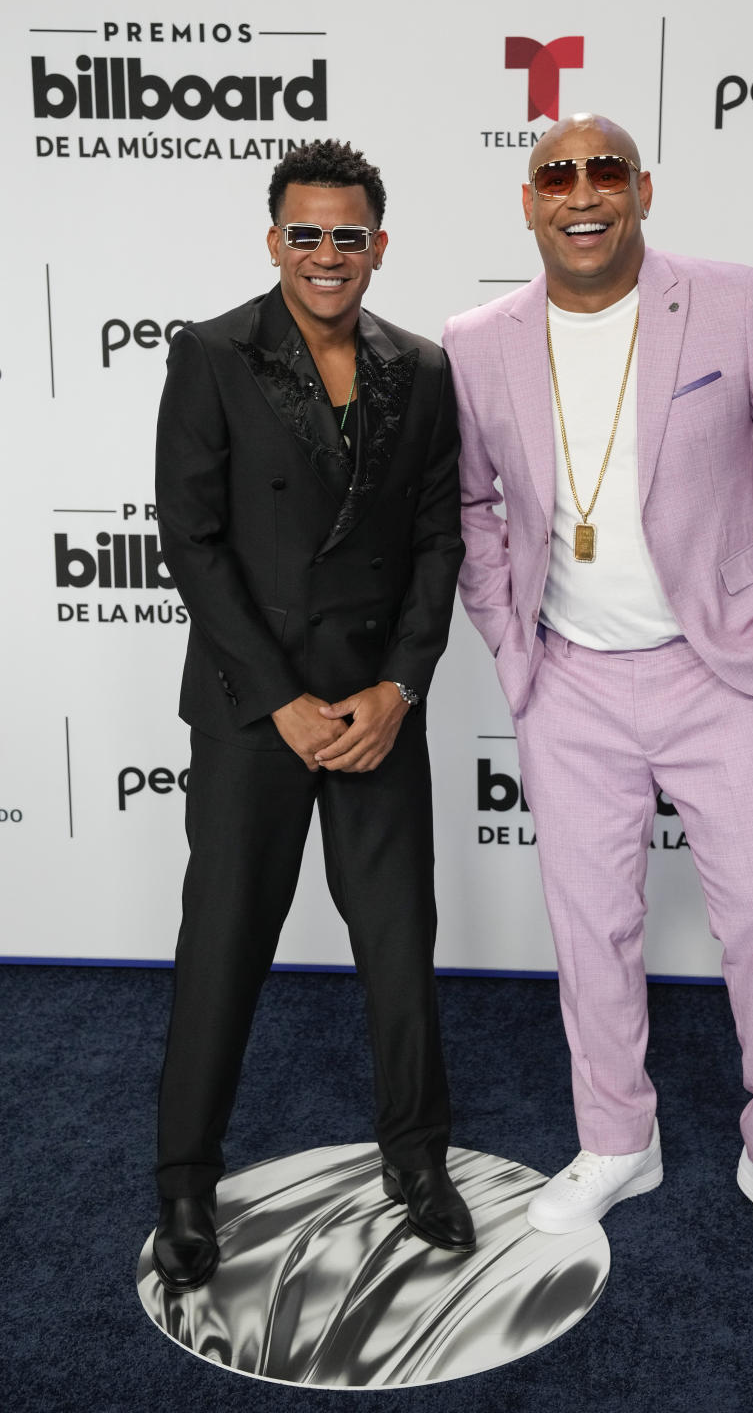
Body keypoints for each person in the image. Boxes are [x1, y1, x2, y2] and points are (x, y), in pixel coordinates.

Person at [443, 113, 753, 1282]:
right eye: (556, 175)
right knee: (591, 930)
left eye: (606, 171)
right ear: (527, 203)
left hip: (722, 672)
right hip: (567, 679)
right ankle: (618, 1139)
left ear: (643, 191)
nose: (584, 192)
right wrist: (511, 649)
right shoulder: (477, 342)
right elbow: (472, 507)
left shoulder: (731, 302)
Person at [151, 138, 474, 1293]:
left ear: (379, 246)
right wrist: (282, 700)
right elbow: (189, 540)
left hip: (378, 707)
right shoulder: (214, 355)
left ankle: (418, 1158)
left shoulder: (424, 369)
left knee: (399, 941)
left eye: (349, 236)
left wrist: (399, 687)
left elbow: (441, 537)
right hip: (256, 709)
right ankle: (186, 1182)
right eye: (306, 234)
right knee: (224, 941)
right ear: (273, 238)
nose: (327, 255)